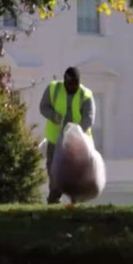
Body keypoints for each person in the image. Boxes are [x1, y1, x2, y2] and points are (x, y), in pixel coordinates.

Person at [39, 66, 95, 204]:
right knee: (53, 167)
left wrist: (77, 132)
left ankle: (75, 197)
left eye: (75, 84)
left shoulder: (86, 95)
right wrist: (53, 116)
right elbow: (43, 107)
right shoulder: (53, 89)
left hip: (78, 140)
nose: (72, 87)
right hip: (55, 137)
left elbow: (89, 118)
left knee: (76, 170)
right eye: (69, 84)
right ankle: (54, 196)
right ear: (64, 81)